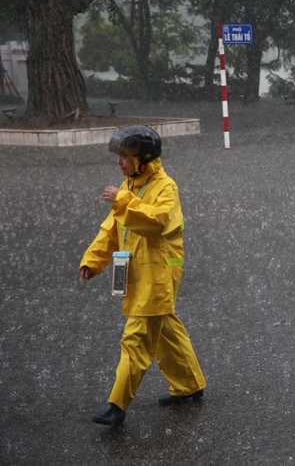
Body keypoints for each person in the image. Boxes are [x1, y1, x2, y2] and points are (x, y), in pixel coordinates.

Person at [80, 125, 206, 426]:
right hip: (139, 268)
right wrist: (93, 261)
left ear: (143, 159)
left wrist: (122, 203)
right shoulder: (129, 187)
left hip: (161, 269)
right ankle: (190, 385)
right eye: (120, 156)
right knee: (164, 329)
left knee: (136, 337)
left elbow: (156, 223)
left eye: (125, 156)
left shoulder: (166, 187)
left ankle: (117, 404)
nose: (119, 162)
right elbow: (112, 229)